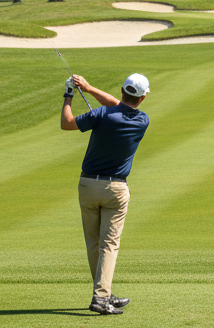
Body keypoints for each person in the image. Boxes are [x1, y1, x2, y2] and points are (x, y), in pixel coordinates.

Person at [60, 72, 150, 315]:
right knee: (109, 245)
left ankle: (104, 292)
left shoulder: (102, 115)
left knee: (94, 243)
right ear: (142, 99)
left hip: (87, 186)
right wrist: (89, 89)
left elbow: (67, 123)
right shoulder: (142, 120)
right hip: (116, 190)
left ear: (122, 90)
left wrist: (69, 95)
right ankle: (101, 297)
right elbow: (118, 106)